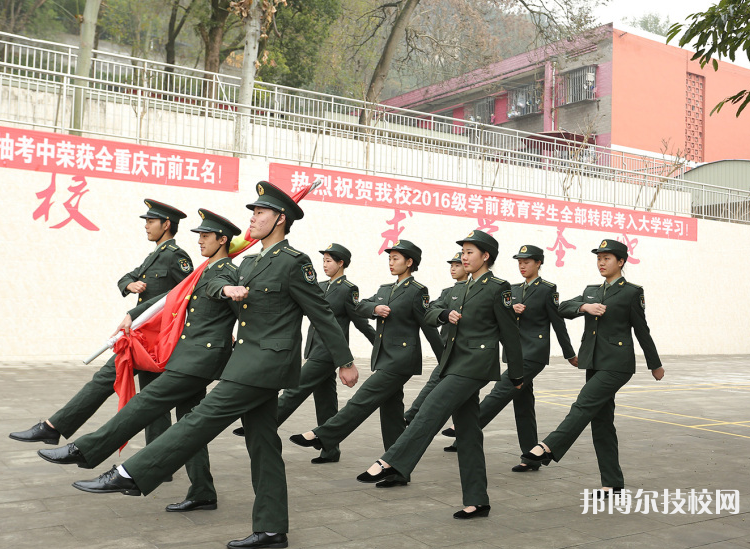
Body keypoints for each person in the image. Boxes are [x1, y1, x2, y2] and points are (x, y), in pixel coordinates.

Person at [70, 182, 358, 549]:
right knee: (264, 445)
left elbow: (321, 314)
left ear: (281, 219)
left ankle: (131, 473)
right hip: (245, 360)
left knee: (200, 419)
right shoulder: (250, 261)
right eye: (252, 213)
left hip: (266, 364)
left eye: (260, 213)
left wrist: (344, 361)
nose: (252, 218)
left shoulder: (294, 262)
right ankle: (272, 530)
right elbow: (215, 280)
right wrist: (224, 288)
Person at [36, 209, 241, 513]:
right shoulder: (205, 269)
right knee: (190, 428)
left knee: (144, 404)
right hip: (189, 358)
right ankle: (202, 491)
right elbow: (171, 301)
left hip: (199, 361)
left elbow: (221, 288)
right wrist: (133, 315)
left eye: (206, 236)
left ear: (222, 240)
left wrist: (226, 290)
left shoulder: (223, 272)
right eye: (198, 236)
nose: (199, 241)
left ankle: (87, 450)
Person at [356, 229, 523, 519]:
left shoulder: (498, 288)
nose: (464, 257)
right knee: (469, 434)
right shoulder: (457, 288)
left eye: (470, 252)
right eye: (463, 252)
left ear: (485, 257)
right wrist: (444, 315)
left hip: (476, 364)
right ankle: (477, 500)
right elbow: (431, 312)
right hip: (453, 362)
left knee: (430, 409)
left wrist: (517, 374)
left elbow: (510, 333)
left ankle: (392, 461)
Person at [10, 199, 192, 447]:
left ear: (166, 224)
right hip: (143, 336)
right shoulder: (155, 256)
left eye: (150, 222)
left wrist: (135, 310)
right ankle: (157, 460)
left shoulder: (176, 257)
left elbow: (185, 293)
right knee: (152, 401)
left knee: (105, 380)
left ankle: (53, 427)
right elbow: (127, 276)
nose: (146, 226)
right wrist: (129, 285)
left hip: (154, 339)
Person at [290, 240, 444, 488]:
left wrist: (444, 362)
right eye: (390, 258)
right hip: (385, 358)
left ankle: (325, 435)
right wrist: (375, 308)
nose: (391, 263)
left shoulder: (417, 291)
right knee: (392, 415)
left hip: (402, 360)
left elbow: (429, 328)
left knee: (363, 399)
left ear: (409, 262)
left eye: (396, 258)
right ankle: (398, 470)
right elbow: (359, 306)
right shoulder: (385, 289)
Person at [521, 238, 664, 497]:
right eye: (599, 258)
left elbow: (642, 330)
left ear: (621, 262)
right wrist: (584, 307)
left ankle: (549, 445)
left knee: (584, 403)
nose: (601, 262)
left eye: (607, 258)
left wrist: (654, 364)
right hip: (594, 361)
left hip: (618, 364)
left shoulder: (631, 292)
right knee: (602, 422)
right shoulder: (590, 291)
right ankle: (612, 483)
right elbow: (562, 307)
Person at [233, 243, 376, 465]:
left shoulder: (348, 289)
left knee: (295, 389)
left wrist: (378, 346)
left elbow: (360, 322)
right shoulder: (318, 285)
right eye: (324, 260)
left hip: (328, 352)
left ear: (341, 263)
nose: (325, 265)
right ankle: (330, 450)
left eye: (329, 261)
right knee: (326, 401)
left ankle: (266, 423)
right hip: (314, 348)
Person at [443, 244, 577, 471]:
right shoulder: (511, 289)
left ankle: (465, 428)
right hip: (515, 352)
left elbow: (557, 323)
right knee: (523, 405)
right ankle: (530, 458)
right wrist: (510, 310)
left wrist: (569, 353)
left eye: (527, 262)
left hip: (534, 352)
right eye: (519, 262)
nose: (522, 266)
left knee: (502, 389)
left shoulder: (547, 289)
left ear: (538, 263)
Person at [403, 251, 467, 424]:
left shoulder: (479, 290)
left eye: (457, 265)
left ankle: (409, 417)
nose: (453, 269)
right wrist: (444, 313)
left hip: (467, 352)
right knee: (447, 390)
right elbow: (431, 309)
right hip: (449, 350)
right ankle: (410, 417)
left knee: (441, 388)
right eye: (452, 265)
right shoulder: (448, 292)